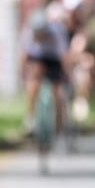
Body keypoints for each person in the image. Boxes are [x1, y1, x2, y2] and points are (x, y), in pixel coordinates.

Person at [21, 7, 69, 135]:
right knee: (33, 84)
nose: (39, 36)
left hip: (53, 59)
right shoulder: (28, 32)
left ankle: (58, 125)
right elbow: (24, 55)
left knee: (57, 91)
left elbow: (64, 56)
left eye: (41, 33)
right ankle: (30, 118)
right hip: (36, 58)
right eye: (37, 33)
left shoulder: (56, 33)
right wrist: (23, 73)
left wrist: (66, 74)